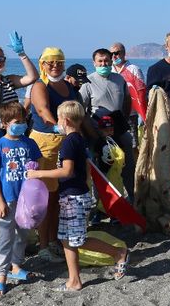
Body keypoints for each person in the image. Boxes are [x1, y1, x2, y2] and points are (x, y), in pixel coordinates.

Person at [28, 100, 129, 291]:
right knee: (67, 239)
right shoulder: (79, 139)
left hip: (74, 197)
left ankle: (118, 253)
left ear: (64, 120)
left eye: (58, 119)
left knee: (77, 240)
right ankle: (74, 280)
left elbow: (67, 171)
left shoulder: (69, 142)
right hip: (73, 194)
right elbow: (86, 168)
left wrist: (38, 174)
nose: (57, 122)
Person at [29, 47, 78, 264]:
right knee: (45, 197)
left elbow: (78, 113)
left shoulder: (68, 85)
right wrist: (57, 126)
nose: (55, 66)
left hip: (66, 142)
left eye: (58, 62)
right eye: (50, 62)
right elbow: (42, 110)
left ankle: (54, 241)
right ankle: (43, 246)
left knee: (60, 197)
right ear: (43, 64)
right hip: (45, 144)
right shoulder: (40, 86)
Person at [0, 102, 42, 296]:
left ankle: (16, 266)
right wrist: (0, 201)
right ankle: (1, 274)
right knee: (5, 236)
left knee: (23, 234)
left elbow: (39, 166)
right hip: (8, 197)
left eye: (23, 121)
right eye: (16, 122)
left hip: (26, 198)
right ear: (4, 123)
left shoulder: (30, 143)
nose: (21, 125)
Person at [79, 48, 136, 204]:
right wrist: (91, 133)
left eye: (106, 61)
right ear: (94, 63)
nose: (104, 64)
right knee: (100, 169)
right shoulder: (87, 83)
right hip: (96, 133)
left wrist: (122, 119)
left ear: (111, 62)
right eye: (100, 61)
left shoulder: (119, 79)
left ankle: (131, 199)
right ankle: (100, 205)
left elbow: (127, 101)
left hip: (118, 129)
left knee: (127, 165)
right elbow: (81, 109)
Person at [0, 33, 39, 117]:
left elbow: (33, 77)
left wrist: (22, 54)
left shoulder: (9, 81)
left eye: (1, 59)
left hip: (12, 128)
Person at [110, 41, 147, 144]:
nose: (114, 56)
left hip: (130, 115)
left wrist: (143, 116)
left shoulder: (134, 69)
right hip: (113, 115)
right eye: (111, 54)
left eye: (117, 53)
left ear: (124, 53)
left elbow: (141, 92)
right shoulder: (110, 71)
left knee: (132, 145)